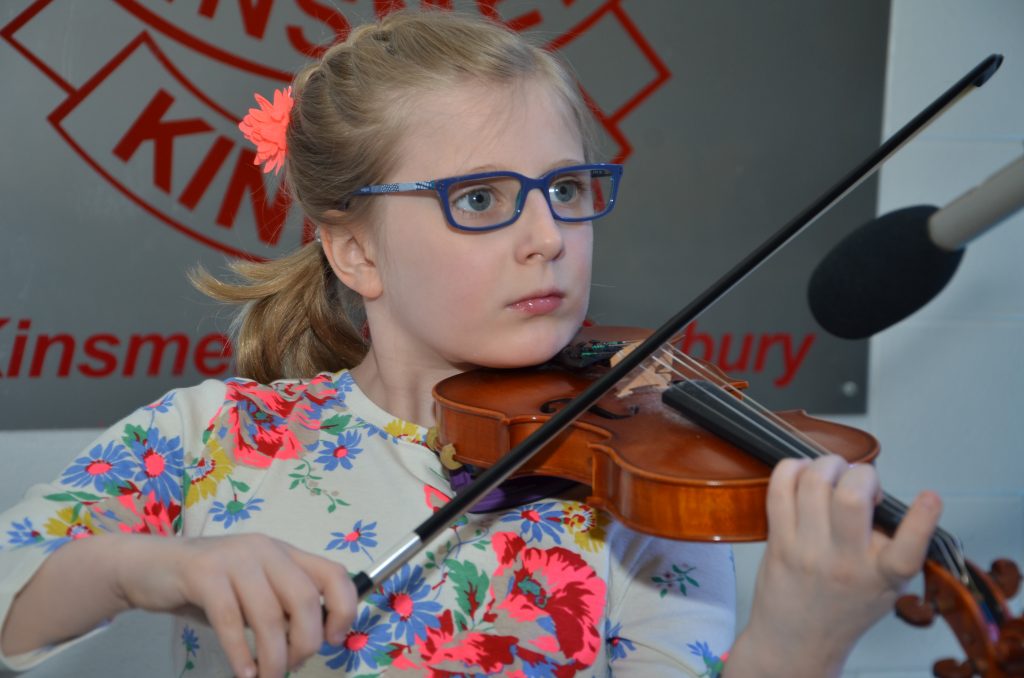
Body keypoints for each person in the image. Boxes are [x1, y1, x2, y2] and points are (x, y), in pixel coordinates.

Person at [0, 9, 942, 678]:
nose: (548, 237)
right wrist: (144, 566)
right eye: (481, 200)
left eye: (566, 189)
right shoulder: (211, 435)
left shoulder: (634, 491)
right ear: (355, 249)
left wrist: (796, 647)